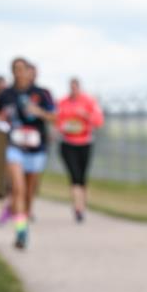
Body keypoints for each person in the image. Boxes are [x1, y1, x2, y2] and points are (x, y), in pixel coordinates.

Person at [0, 57, 54, 249]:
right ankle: (21, 232)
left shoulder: (42, 94)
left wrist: (39, 112)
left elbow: (54, 116)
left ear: (30, 71)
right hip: (14, 147)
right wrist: (1, 121)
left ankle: (23, 221)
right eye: (16, 69)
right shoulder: (6, 94)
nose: (20, 73)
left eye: (23, 69)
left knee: (29, 193)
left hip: (36, 150)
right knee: (18, 190)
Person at [56, 77, 104, 222]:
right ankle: (77, 208)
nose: (73, 90)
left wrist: (85, 115)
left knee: (82, 177)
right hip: (68, 143)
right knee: (74, 175)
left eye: (76, 87)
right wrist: (63, 126)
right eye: (71, 87)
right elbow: (56, 120)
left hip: (85, 143)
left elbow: (99, 121)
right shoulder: (62, 102)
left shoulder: (89, 101)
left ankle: (82, 205)